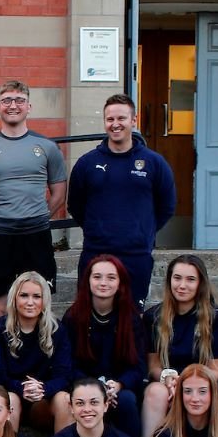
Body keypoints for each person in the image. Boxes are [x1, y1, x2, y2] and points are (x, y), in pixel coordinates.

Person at [0, 81, 67, 319]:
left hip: (36, 236)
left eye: (19, 100)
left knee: (37, 305)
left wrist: (38, 217)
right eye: (7, 101)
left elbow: (59, 193)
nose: (13, 105)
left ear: (29, 106)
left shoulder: (47, 147)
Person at [68, 94, 176, 308]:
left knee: (133, 320)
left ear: (133, 120)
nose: (115, 125)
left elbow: (167, 206)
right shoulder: (87, 163)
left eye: (121, 119)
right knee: (90, 319)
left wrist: (143, 231)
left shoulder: (154, 163)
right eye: (110, 119)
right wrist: (97, 228)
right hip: (95, 255)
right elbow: (75, 205)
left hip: (136, 256)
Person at [141, 254, 218, 437]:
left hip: (202, 383)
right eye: (177, 278)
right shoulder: (153, 317)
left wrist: (185, 384)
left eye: (190, 279)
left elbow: (215, 370)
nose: (182, 285)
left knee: (195, 394)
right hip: (167, 382)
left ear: (200, 283)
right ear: (169, 281)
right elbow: (153, 365)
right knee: (155, 393)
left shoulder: (217, 319)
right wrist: (169, 379)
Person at [61, 254, 147, 437]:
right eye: (97, 276)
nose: (103, 283)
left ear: (120, 283)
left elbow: (139, 366)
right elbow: (68, 364)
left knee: (126, 401)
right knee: (78, 401)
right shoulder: (73, 317)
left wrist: (118, 385)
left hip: (120, 388)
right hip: (83, 385)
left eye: (111, 277)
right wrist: (95, 388)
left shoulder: (131, 319)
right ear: (88, 281)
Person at [0, 271, 74, 434]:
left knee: (64, 399)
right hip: (11, 396)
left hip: (44, 401)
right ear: (14, 299)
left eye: (37, 296)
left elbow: (64, 376)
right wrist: (21, 387)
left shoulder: (57, 330)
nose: (30, 302)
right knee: (11, 399)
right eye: (24, 296)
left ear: (44, 300)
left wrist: (43, 388)